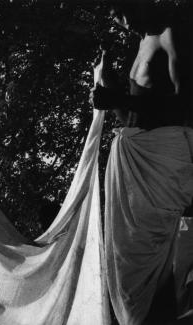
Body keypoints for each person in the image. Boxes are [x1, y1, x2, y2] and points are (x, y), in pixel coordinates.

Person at [91, 1, 193, 324]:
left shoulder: (171, 35)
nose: (123, 23)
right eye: (116, 19)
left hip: (160, 164)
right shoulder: (140, 41)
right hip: (135, 167)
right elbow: (133, 118)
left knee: (156, 263)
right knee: (130, 265)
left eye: (122, 13)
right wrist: (108, 86)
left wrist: (117, 98)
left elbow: (184, 106)